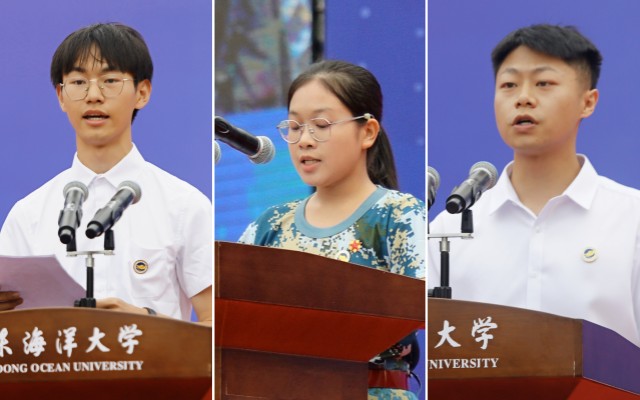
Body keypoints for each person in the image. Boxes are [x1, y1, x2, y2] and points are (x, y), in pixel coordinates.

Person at [429, 24, 640, 347]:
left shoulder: (631, 218)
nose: (523, 98)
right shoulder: (450, 227)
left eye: (544, 83)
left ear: (588, 102)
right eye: (509, 85)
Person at [0, 23, 212, 325]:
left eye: (110, 80)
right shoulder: (28, 215)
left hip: (153, 358)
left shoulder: (185, 206)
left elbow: (215, 325)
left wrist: (147, 320)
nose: (93, 95)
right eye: (78, 82)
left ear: (142, 93)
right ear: (61, 96)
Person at [239, 60, 425, 400]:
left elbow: (421, 309)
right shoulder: (269, 224)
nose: (304, 140)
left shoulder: (397, 214)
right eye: (294, 126)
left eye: (321, 125)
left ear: (367, 132)